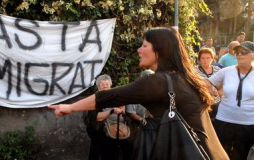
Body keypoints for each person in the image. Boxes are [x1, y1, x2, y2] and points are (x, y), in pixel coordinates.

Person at [49, 27, 229, 160]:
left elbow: (108, 96)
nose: (139, 50)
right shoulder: (186, 77)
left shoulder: (157, 82)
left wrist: (70, 106)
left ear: (159, 50)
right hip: (210, 153)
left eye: (144, 45)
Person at [208, 41, 254, 160]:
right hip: (224, 121)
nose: (239, 55)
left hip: (247, 124)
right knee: (219, 154)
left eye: (244, 52)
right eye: (237, 52)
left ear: (253, 55)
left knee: (241, 156)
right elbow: (206, 84)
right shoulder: (226, 71)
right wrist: (213, 91)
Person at [85, 74, 131, 160]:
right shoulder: (94, 100)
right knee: (106, 149)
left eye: (107, 84)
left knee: (128, 147)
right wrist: (111, 111)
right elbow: (97, 118)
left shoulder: (115, 98)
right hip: (103, 132)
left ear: (110, 86)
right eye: (102, 85)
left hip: (119, 129)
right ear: (98, 87)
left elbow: (125, 114)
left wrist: (123, 112)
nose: (105, 87)